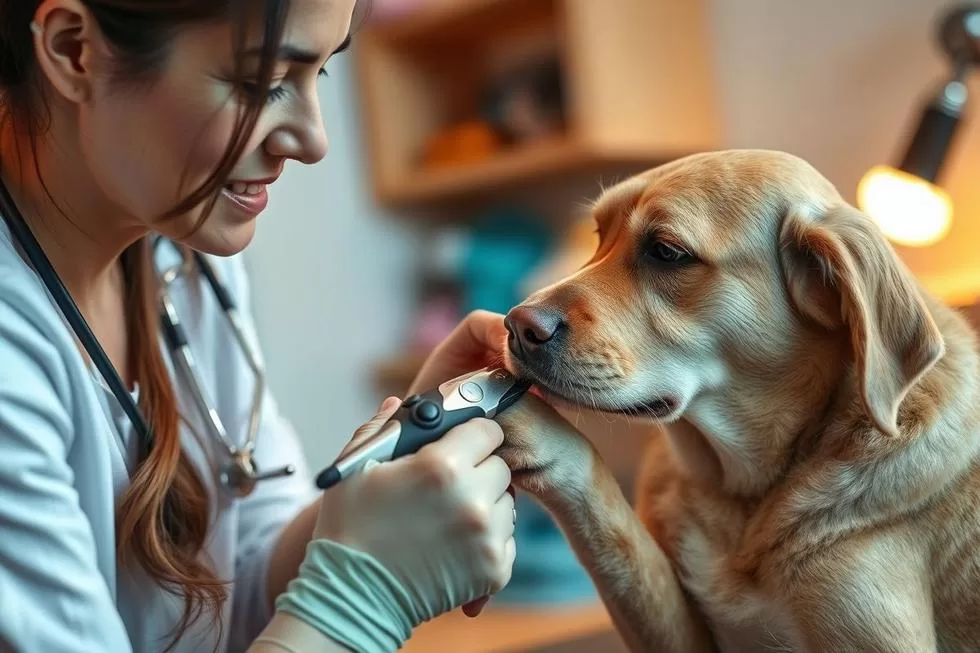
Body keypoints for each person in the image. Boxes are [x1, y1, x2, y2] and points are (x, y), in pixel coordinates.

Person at [0, 0, 520, 651]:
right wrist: (362, 595)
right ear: (75, 48)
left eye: (320, 74)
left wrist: (394, 472)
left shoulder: (186, 261)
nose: (313, 140)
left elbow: (241, 587)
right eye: (262, 83)